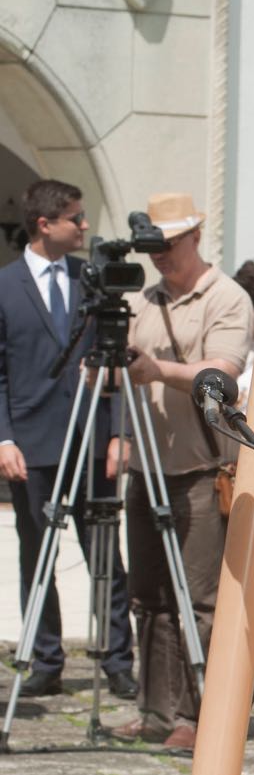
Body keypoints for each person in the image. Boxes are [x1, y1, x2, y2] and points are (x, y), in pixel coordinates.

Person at [113, 193, 254, 751]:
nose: (160, 256)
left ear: (195, 236)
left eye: (169, 245)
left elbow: (219, 375)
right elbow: (125, 377)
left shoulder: (227, 297)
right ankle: (153, 709)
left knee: (197, 600)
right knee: (147, 597)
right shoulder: (143, 299)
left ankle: (193, 716)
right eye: (153, 246)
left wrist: (154, 369)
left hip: (201, 467)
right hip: (147, 467)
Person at [0, 179, 135, 699]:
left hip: (93, 442)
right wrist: (4, 440)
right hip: (31, 446)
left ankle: (118, 660)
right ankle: (45, 659)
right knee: (37, 556)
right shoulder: (6, 287)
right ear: (44, 224)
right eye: (75, 218)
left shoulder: (93, 280)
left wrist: (120, 433)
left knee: (106, 556)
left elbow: (118, 359)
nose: (84, 226)